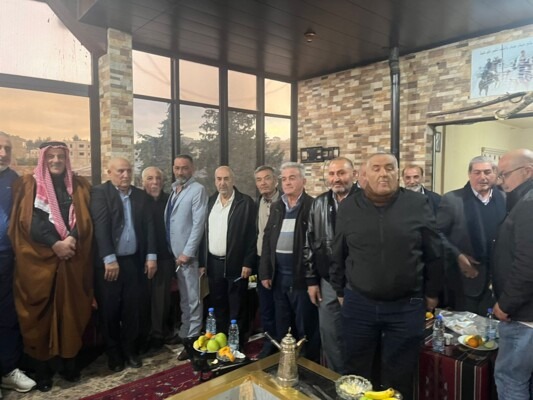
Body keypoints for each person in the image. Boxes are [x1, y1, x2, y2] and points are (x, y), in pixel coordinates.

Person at [330, 153, 443, 400]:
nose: (383, 173)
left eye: (390, 168)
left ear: (397, 173)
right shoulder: (349, 206)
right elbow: (338, 252)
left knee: (399, 375)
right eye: (377, 168)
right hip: (359, 303)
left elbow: (434, 251)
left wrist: (432, 293)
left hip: (406, 305)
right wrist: (339, 290)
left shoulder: (417, 203)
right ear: (364, 175)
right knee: (357, 372)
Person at [9, 141, 93, 392]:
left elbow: (85, 218)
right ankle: (43, 370)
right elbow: (28, 220)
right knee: (40, 317)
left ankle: (69, 363)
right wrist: (55, 244)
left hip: (72, 260)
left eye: (60, 157)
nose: (56, 161)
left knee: (70, 312)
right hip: (39, 262)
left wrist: (72, 239)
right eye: (51, 157)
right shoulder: (29, 184)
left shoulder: (79, 185)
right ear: (43, 159)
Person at [91, 157, 157, 372]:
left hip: (133, 262)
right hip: (109, 264)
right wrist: (109, 258)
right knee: (109, 310)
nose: (125, 175)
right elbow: (100, 227)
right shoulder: (100, 193)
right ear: (109, 172)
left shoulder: (140, 195)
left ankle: (129, 350)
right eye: (120, 171)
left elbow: (149, 227)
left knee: (132, 309)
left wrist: (151, 256)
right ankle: (113, 353)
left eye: (128, 170)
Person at [259, 162, 320, 363]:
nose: (287, 182)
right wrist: (265, 272)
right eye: (284, 179)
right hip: (278, 278)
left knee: (306, 329)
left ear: (304, 180)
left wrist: (313, 280)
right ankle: (286, 365)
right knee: (283, 327)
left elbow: (316, 245)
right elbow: (267, 239)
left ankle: (308, 367)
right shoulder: (277, 206)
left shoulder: (313, 206)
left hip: (301, 279)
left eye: (292, 178)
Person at [305, 157, 357, 373]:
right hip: (327, 281)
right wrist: (311, 280)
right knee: (330, 334)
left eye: (342, 173)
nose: (337, 178)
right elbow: (309, 242)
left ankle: (359, 379)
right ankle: (338, 379)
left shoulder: (365, 201)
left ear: (353, 175)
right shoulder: (318, 203)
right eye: (332, 174)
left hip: (358, 282)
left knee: (357, 334)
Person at [437, 155, 506, 314]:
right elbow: (437, 233)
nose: (482, 177)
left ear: (495, 174)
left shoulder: (503, 198)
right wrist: (458, 256)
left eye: (487, 172)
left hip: (498, 278)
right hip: (466, 278)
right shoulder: (453, 200)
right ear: (469, 174)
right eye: (477, 172)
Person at [491, 149, 533, 400]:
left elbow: (528, 263)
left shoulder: (528, 205)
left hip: (523, 315)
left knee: (510, 380)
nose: (500, 182)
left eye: (504, 174)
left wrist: (506, 304)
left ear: (527, 171)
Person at [200, 166, 256, 346]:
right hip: (214, 264)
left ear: (233, 180)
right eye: (219, 179)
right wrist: (203, 262)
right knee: (219, 305)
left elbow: (252, 235)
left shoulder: (245, 203)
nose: (222, 183)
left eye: (226, 179)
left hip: (237, 264)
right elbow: (204, 234)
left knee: (238, 307)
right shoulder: (210, 202)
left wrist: (248, 262)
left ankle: (238, 345)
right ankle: (222, 342)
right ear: (215, 181)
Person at [0, 133, 36, 395]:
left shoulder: (16, 180)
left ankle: (7, 370)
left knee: (7, 315)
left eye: (7, 148)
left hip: (7, 257)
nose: (3, 153)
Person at [165, 155, 208, 361]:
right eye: (177, 168)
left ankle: (192, 340)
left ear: (192, 169)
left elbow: (199, 224)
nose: (180, 172)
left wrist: (187, 252)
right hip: (175, 255)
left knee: (193, 300)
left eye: (184, 168)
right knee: (184, 299)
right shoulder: (175, 190)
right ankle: (184, 332)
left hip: (188, 257)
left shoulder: (197, 190)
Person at [140, 166, 175, 350]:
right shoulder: (137, 200)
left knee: (161, 299)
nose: (155, 182)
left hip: (165, 257)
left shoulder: (170, 200)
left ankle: (158, 334)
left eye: (158, 178)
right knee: (142, 299)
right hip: (140, 258)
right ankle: (143, 334)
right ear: (142, 182)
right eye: (150, 178)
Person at [254, 165, 281, 359]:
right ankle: (269, 341)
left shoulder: (285, 201)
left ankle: (284, 341)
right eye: (259, 180)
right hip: (261, 260)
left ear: (275, 180)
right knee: (266, 306)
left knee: (281, 305)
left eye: (267, 178)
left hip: (280, 262)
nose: (263, 183)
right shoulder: (257, 203)